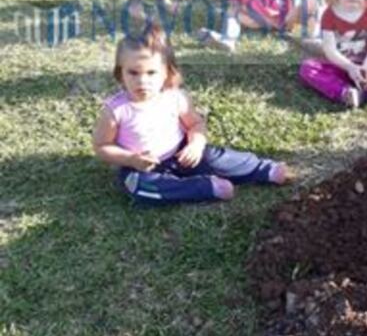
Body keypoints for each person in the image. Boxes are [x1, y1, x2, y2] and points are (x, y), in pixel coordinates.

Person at [93, 25, 288, 205]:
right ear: (121, 73)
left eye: (151, 73)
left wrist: (196, 144)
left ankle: (262, 169)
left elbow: (196, 124)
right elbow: (102, 146)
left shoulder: (175, 98)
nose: (142, 81)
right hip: (141, 167)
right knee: (141, 187)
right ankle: (206, 188)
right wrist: (131, 159)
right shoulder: (116, 110)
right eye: (133, 73)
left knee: (215, 157)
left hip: (182, 154)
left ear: (167, 73)